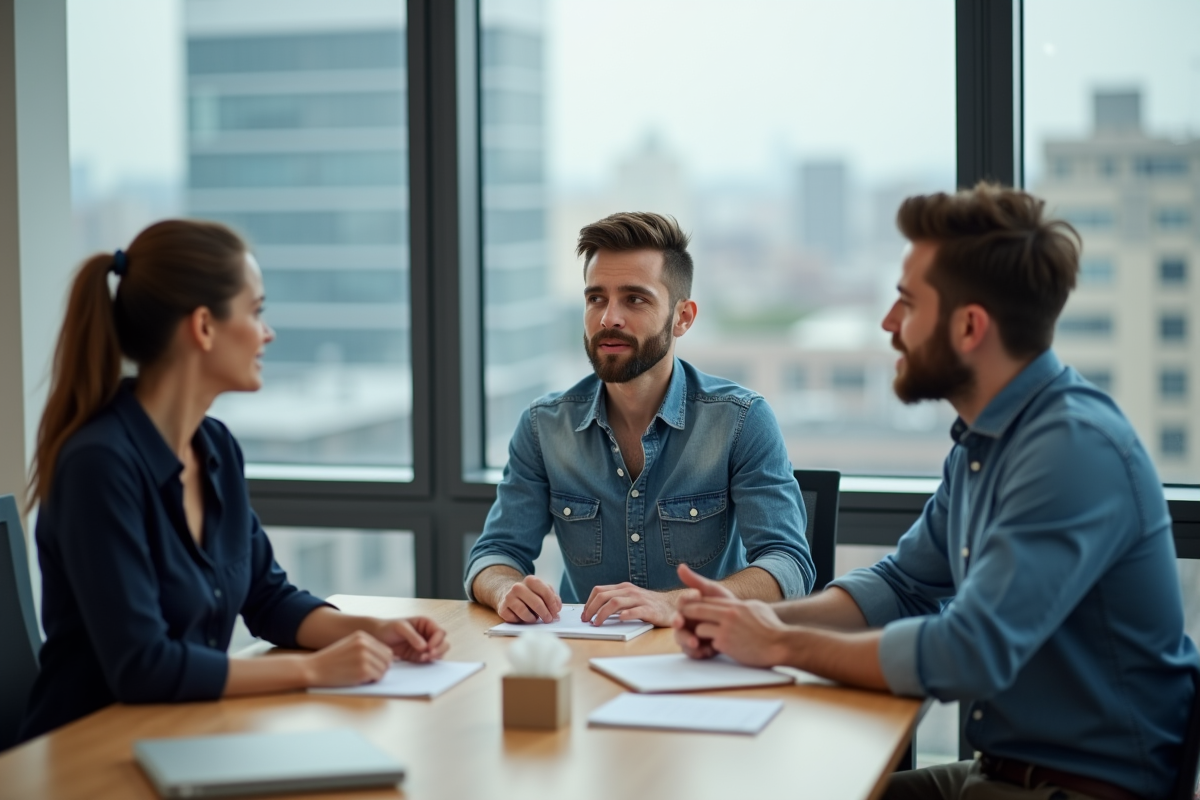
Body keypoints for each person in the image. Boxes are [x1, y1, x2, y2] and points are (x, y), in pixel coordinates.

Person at [673, 185, 1199, 800]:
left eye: (906, 303)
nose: (889, 324)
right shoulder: (986, 442)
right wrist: (751, 620)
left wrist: (781, 644)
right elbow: (904, 585)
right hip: (998, 773)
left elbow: (970, 652)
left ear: (970, 326)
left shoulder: (1070, 449)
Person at [19, 220, 449, 742]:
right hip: (88, 753)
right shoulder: (99, 464)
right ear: (203, 327)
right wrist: (313, 671)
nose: (267, 333)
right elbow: (143, 665)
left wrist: (375, 630)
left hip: (185, 733)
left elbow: (268, 600)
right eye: (256, 311)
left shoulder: (215, 446)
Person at [465, 212, 813, 629]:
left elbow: (788, 565)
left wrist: (675, 604)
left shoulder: (740, 420)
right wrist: (505, 588)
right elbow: (493, 554)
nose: (609, 317)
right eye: (596, 298)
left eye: (635, 299)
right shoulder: (544, 426)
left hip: (703, 654)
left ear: (682, 317)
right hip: (583, 659)